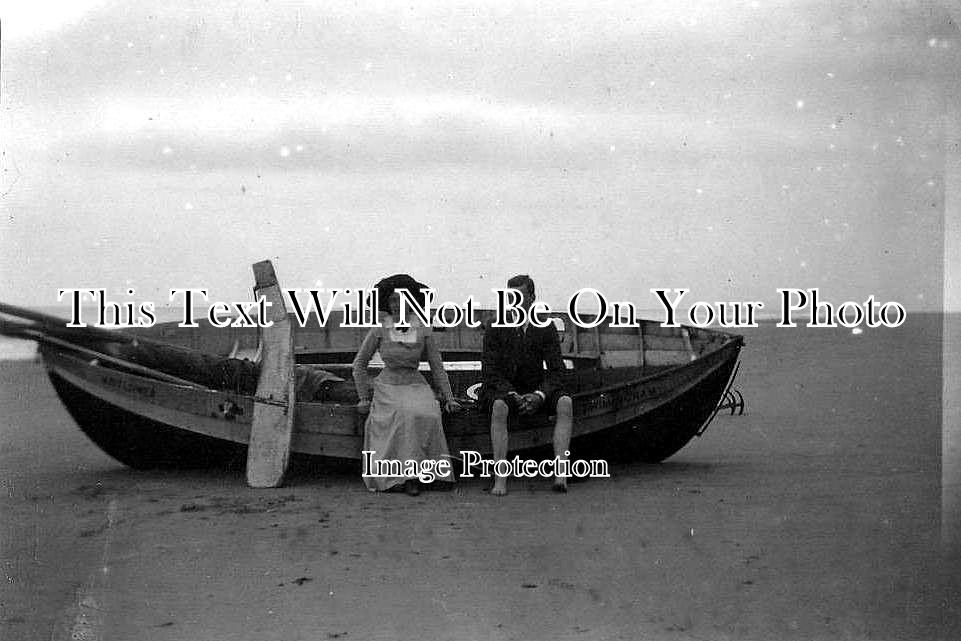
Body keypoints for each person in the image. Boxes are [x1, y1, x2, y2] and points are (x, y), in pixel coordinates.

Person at [352, 274, 460, 495]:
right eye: (392, 301)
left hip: (415, 384)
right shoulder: (380, 329)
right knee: (404, 414)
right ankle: (405, 477)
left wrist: (449, 397)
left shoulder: (423, 329)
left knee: (429, 412)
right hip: (388, 387)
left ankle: (430, 473)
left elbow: (437, 367)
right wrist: (363, 397)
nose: (397, 305)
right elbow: (358, 365)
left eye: (401, 300)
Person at [479, 274, 573, 495]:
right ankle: (500, 480)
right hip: (503, 390)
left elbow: (557, 371)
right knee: (499, 407)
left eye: (519, 297)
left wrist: (539, 395)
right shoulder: (494, 326)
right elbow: (489, 371)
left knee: (565, 403)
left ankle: (561, 476)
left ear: (532, 298)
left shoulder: (545, 327)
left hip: (535, 389)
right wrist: (512, 394)